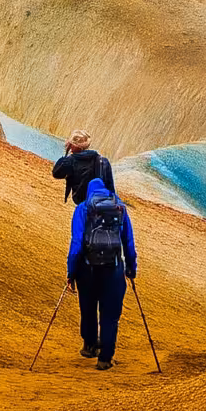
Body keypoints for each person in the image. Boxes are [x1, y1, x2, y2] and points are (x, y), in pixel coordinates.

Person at [66, 177, 137, 370]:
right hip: (113, 270)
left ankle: (89, 346)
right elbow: (128, 243)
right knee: (110, 315)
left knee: (88, 309)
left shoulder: (82, 209)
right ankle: (105, 358)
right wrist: (131, 268)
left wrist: (71, 272)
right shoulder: (120, 208)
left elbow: (76, 243)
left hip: (87, 270)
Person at [52, 130, 115, 206]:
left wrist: (67, 153)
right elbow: (110, 186)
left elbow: (56, 173)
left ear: (72, 144)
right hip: (103, 203)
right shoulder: (103, 160)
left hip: (83, 203)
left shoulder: (71, 160)